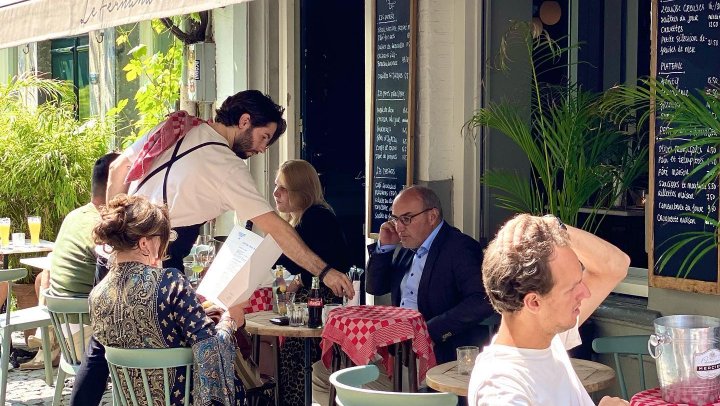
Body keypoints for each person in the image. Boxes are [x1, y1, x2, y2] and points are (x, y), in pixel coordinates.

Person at [105, 90, 353, 298]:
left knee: (107, 350)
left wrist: (112, 233)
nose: (263, 149)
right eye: (264, 137)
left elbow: (117, 169)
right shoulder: (227, 165)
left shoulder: (181, 129)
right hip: (156, 263)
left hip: (113, 255)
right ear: (244, 121)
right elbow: (277, 229)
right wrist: (325, 272)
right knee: (172, 353)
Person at [312, 185, 493, 405]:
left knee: (346, 384)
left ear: (432, 216)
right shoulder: (406, 249)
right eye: (395, 219)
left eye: (406, 219)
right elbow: (374, 287)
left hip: (434, 355)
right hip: (395, 352)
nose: (399, 227)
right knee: (322, 374)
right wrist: (384, 248)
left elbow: (481, 301)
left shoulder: (459, 247)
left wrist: (429, 332)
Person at [89, 194, 245, 405]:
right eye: (163, 239)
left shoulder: (97, 295)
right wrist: (229, 321)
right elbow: (209, 348)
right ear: (145, 244)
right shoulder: (170, 282)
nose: (164, 249)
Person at [468, 214, 630, 406]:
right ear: (534, 302)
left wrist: (555, 227)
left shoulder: (549, 338)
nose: (584, 293)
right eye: (571, 288)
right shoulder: (501, 387)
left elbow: (616, 266)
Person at [19, 152, 119, 370]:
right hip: (89, 338)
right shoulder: (104, 227)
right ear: (117, 183)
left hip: (65, 330)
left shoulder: (75, 216)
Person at [273, 159, 350, 406]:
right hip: (312, 302)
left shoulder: (317, 218)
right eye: (276, 186)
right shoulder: (304, 218)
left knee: (299, 362)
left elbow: (311, 263)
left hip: (322, 307)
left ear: (300, 191)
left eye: (283, 188)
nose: (276, 193)